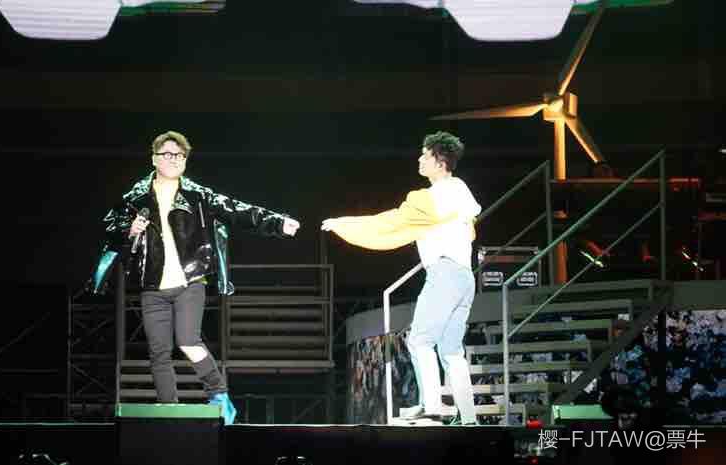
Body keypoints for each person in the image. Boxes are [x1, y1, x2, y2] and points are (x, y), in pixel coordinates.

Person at [88, 130, 300, 425]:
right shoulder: (134, 198)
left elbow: (236, 209)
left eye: (179, 155)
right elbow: (109, 229)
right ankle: (169, 411)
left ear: (185, 161)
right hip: (152, 285)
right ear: (154, 159)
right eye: (167, 154)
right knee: (159, 352)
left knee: (188, 340)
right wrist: (129, 230)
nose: (173, 159)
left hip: (190, 281)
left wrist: (277, 222)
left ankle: (219, 394)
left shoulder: (198, 195)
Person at [322, 131, 480, 425]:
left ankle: (431, 406)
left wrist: (343, 224)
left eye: (425, 155)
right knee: (451, 350)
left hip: (444, 273)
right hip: (465, 277)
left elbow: (389, 222)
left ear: (439, 161)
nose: (420, 159)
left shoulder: (431, 199)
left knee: (420, 341)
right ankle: (468, 416)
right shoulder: (461, 191)